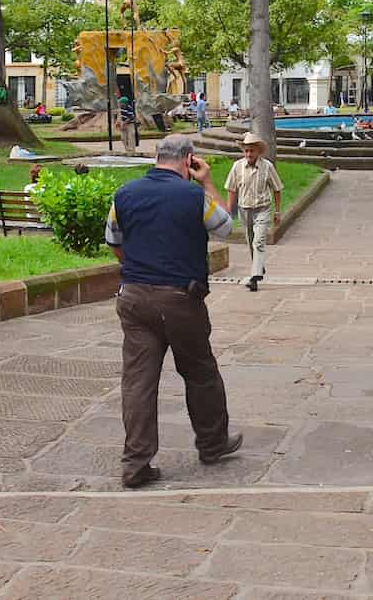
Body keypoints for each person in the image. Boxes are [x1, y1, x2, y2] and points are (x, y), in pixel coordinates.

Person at [104, 135, 241, 487]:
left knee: (138, 382)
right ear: (189, 160)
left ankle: (135, 463)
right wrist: (207, 181)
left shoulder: (125, 194)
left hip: (133, 296)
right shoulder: (194, 196)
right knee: (200, 373)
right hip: (181, 298)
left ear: (155, 157)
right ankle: (211, 444)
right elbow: (226, 227)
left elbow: (114, 241)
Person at [223, 132, 283, 292]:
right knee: (250, 242)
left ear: (259, 151)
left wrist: (277, 212)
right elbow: (231, 188)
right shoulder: (237, 166)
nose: (249, 154)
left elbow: (277, 189)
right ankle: (258, 268)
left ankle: (254, 277)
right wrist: (229, 210)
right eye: (246, 151)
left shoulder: (267, 167)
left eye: (252, 151)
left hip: (262, 209)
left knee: (258, 242)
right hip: (244, 209)